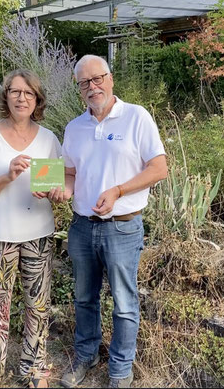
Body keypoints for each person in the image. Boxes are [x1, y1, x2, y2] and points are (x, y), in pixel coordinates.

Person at [50, 55, 167, 388]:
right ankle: (86, 356)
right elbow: (71, 174)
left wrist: (118, 190)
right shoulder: (74, 127)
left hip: (123, 227)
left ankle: (120, 369)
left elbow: (159, 168)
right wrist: (61, 189)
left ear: (110, 79)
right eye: (85, 82)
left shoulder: (136, 117)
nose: (92, 87)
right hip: (82, 226)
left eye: (97, 78)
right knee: (84, 297)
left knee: (125, 303)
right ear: (79, 89)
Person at [0, 69, 62, 389]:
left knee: (37, 306)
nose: (22, 98)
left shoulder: (48, 140)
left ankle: (33, 370)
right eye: (16, 92)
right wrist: (7, 176)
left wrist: (50, 190)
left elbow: (54, 189)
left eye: (29, 93)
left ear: (38, 100)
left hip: (37, 233)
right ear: (6, 96)